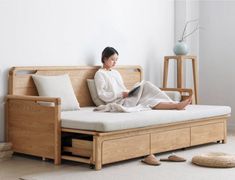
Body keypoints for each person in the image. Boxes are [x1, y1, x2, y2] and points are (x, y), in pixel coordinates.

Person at [94, 46, 192, 110]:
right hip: (119, 101)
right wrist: (121, 94)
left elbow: (122, 88)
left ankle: (175, 104)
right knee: (148, 98)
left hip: (126, 97)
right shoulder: (100, 74)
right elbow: (102, 95)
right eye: (112, 60)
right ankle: (175, 105)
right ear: (105, 59)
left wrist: (129, 92)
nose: (115, 62)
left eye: (116, 60)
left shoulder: (115, 72)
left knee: (147, 88)